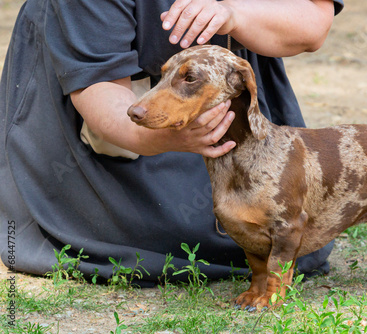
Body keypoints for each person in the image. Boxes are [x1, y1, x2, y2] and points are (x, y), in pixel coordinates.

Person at [0, 0, 343, 285]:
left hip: (219, 79)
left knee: (280, 231)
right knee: (161, 241)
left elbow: (313, 24)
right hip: (102, 82)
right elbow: (98, 87)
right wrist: (156, 136)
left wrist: (235, 14)